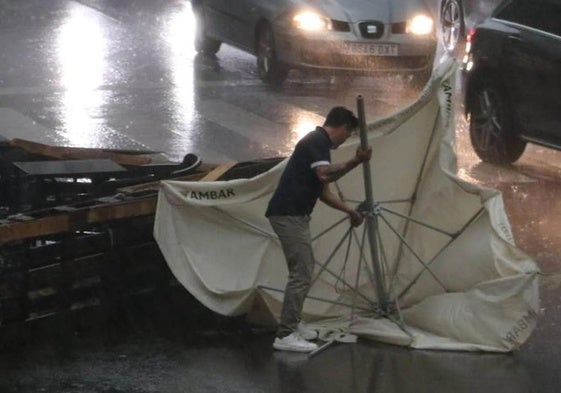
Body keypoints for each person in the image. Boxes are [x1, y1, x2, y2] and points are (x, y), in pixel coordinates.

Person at [266, 106, 372, 352]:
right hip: (288, 215)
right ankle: (285, 335)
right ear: (344, 128)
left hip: (296, 215)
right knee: (301, 274)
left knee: (304, 269)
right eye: (349, 134)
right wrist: (356, 160)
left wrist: (351, 211)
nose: (347, 139)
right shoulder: (317, 141)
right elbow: (325, 176)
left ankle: (294, 323)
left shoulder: (319, 144)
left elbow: (323, 192)